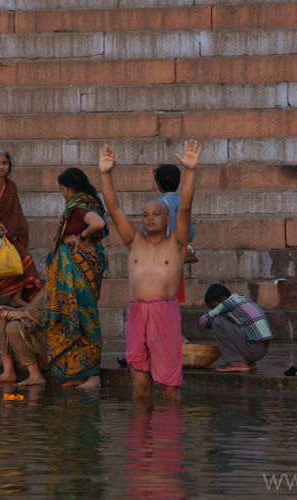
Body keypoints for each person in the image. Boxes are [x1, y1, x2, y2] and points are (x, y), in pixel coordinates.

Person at [99, 140, 200, 403]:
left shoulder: (176, 245)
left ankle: (167, 441)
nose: (150, 218)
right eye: (145, 215)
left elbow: (186, 208)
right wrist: (106, 174)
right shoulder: (134, 242)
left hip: (163, 313)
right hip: (136, 313)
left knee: (169, 388)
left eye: (156, 214)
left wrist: (190, 172)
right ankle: (142, 441)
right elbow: (114, 209)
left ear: (168, 219)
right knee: (141, 388)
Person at [42, 168, 108, 389]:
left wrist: (80, 237)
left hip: (80, 268)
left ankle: (93, 376)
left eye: (62, 190)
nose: (62, 194)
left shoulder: (80, 205)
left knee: (86, 319)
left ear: (70, 188)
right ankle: (79, 374)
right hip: (76, 267)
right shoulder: (87, 202)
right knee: (77, 319)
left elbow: (98, 224)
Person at [0, 150, 41, 307]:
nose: (1, 167)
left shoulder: (12, 187)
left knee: (26, 261)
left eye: (4, 163)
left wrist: (17, 234)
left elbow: (17, 213)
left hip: (11, 237)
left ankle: (16, 297)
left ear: (9, 166)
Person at [141, 163, 197, 302]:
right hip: (177, 263)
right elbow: (191, 233)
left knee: (155, 305)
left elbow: (145, 232)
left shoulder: (158, 205)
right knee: (173, 304)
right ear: (178, 181)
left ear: (159, 184)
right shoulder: (183, 203)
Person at [200, 284, 273, 372]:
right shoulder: (241, 299)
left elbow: (204, 320)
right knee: (224, 320)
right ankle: (249, 362)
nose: (214, 309)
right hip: (258, 349)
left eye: (214, 307)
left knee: (217, 321)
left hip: (254, 350)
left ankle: (236, 362)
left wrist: (211, 316)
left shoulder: (230, 302)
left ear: (223, 299)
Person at [0, 289, 47, 386]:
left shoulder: (54, 289)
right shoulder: (47, 288)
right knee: (2, 318)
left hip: (53, 349)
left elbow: (28, 315)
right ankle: (8, 372)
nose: (45, 272)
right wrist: (3, 309)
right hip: (44, 341)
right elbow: (29, 310)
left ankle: (36, 375)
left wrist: (5, 313)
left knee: (14, 327)